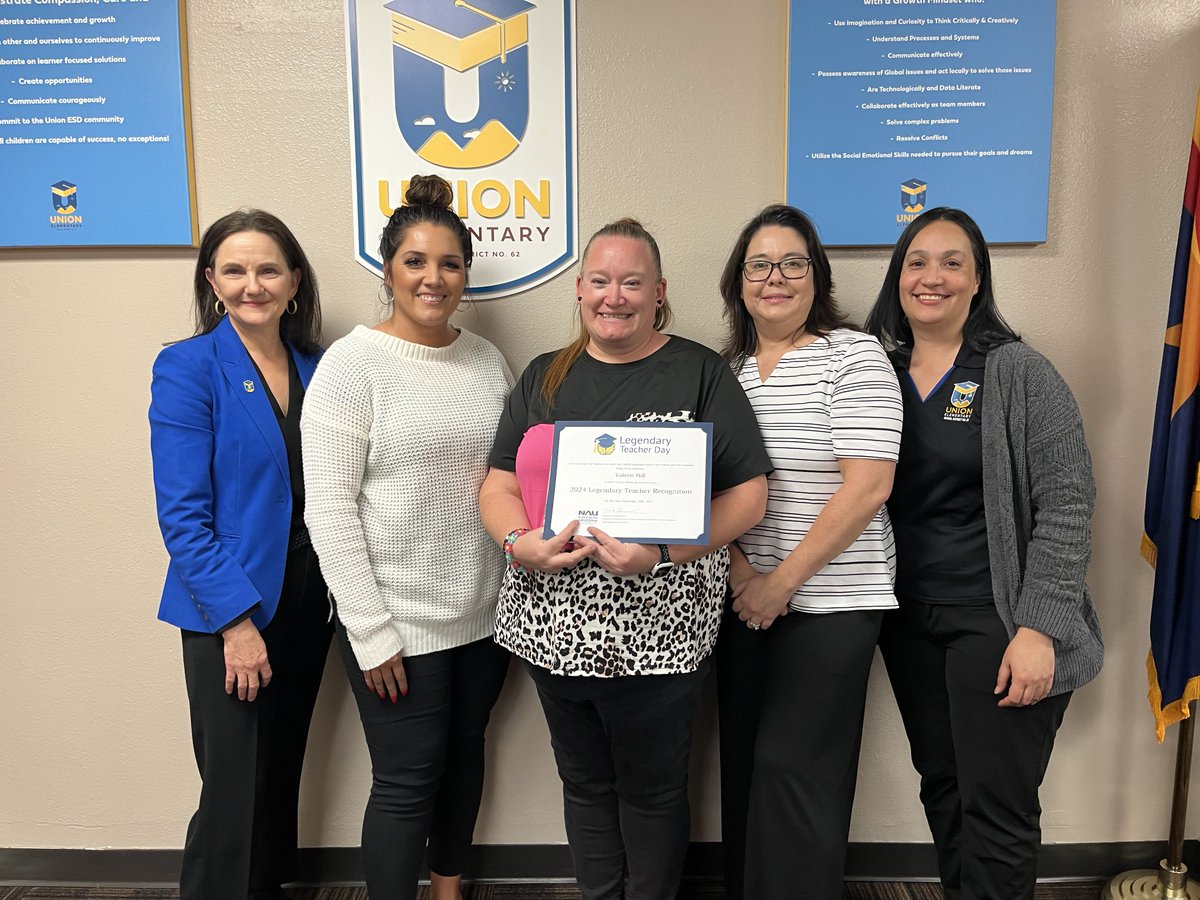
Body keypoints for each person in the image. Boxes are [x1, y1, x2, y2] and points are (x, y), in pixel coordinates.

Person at [479, 217, 772, 900]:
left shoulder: (700, 372)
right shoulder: (542, 376)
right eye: (602, 281)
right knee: (583, 784)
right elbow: (496, 485)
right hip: (554, 635)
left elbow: (749, 497)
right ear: (580, 289)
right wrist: (520, 544)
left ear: (659, 291)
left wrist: (663, 552)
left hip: (661, 636)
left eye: (632, 282)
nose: (616, 297)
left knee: (652, 790)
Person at [864, 207, 1103, 900]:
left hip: (996, 622)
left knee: (996, 807)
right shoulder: (875, 372)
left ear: (977, 281)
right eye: (916, 261)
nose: (931, 277)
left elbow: (1068, 505)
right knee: (944, 790)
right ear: (897, 277)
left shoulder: (1018, 372)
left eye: (951, 262)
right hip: (909, 623)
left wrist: (1038, 630)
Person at [301, 174, 513, 900]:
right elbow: (327, 509)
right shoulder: (351, 367)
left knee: (463, 758)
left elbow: (510, 479)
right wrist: (370, 629)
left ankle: (449, 890)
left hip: (484, 616)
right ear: (388, 269)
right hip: (396, 622)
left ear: (465, 274)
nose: (433, 278)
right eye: (416, 262)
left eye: (449, 263)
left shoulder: (487, 362)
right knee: (404, 781)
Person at [714, 204, 903, 900]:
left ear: (816, 277)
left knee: (797, 773)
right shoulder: (727, 370)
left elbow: (868, 486)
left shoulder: (853, 356)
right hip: (743, 598)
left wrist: (780, 582)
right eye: (759, 264)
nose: (775, 277)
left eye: (793, 263)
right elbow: (710, 486)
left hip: (830, 601)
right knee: (746, 769)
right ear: (740, 281)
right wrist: (744, 577)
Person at [149, 209, 331, 900]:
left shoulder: (321, 367)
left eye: (267, 269)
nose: (252, 284)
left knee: (277, 777)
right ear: (212, 282)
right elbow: (184, 517)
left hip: (310, 602)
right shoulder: (188, 366)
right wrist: (236, 624)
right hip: (231, 609)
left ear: (293, 282)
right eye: (235, 269)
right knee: (233, 792)